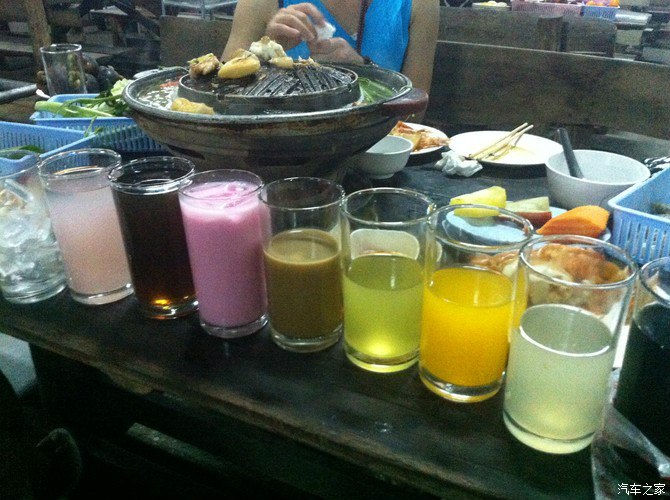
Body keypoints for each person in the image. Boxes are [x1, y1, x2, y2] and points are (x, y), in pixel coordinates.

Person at [222, 0, 440, 94]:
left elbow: (413, 115)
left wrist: (364, 71)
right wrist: (263, 54)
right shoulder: (261, 3)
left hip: (378, 158)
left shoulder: (418, 4)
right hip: (282, 155)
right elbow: (217, 99)